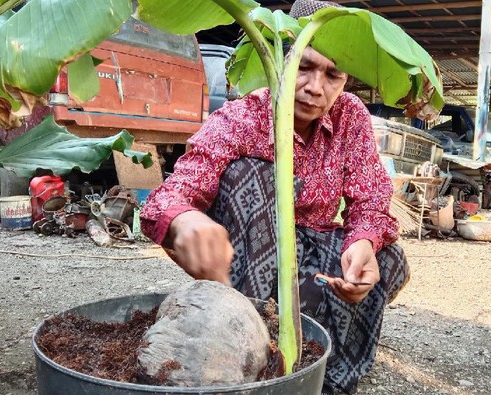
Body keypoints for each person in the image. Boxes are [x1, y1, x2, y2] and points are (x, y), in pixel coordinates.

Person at [140, 1, 410, 393]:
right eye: (304, 66)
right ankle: (258, 322)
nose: (317, 87)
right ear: (283, 57)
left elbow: (369, 197)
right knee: (251, 174)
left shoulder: (351, 116)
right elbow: (172, 194)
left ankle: (309, 317)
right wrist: (186, 220)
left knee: (389, 259)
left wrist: (363, 242)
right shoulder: (243, 116)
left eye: (333, 75)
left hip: (312, 247)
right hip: (250, 257)